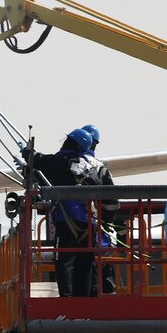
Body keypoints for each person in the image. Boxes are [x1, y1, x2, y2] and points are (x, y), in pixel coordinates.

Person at [31, 127, 116, 297]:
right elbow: (112, 199)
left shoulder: (61, 161)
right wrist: (107, 221)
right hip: (89, 222)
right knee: (85, 262)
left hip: (66, 220)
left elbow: (38, 161)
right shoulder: (97, 166)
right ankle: (83, 299)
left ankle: (67, 298)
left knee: (64, 260)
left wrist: (28, 152)